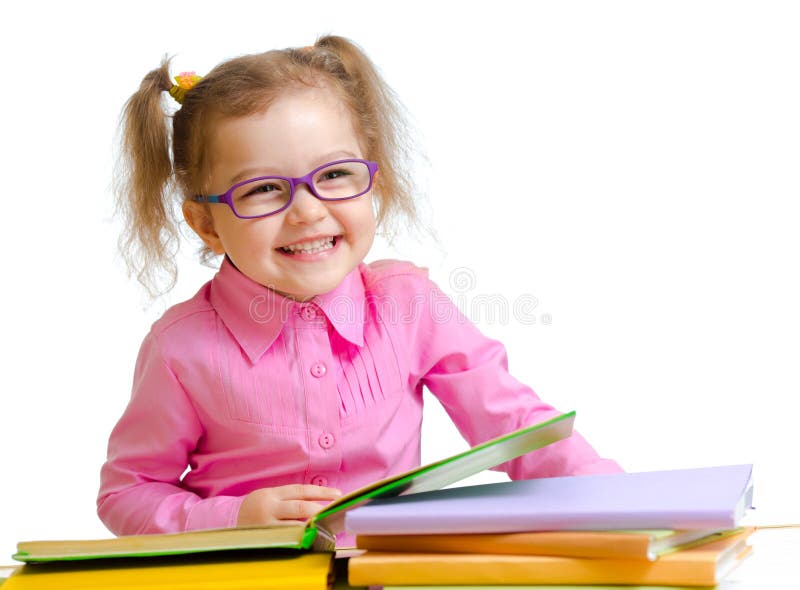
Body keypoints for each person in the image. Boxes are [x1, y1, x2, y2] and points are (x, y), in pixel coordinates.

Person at [97, 35, 622, 541]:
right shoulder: (179, 348)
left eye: (334, 175)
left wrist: (613, 499)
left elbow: (514, 425)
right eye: (262, 189)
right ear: (207, 224)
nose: (307, 210)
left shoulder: (408, 305)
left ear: (373, 176)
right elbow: (127, 493)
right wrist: (235, 516)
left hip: (388, 571)